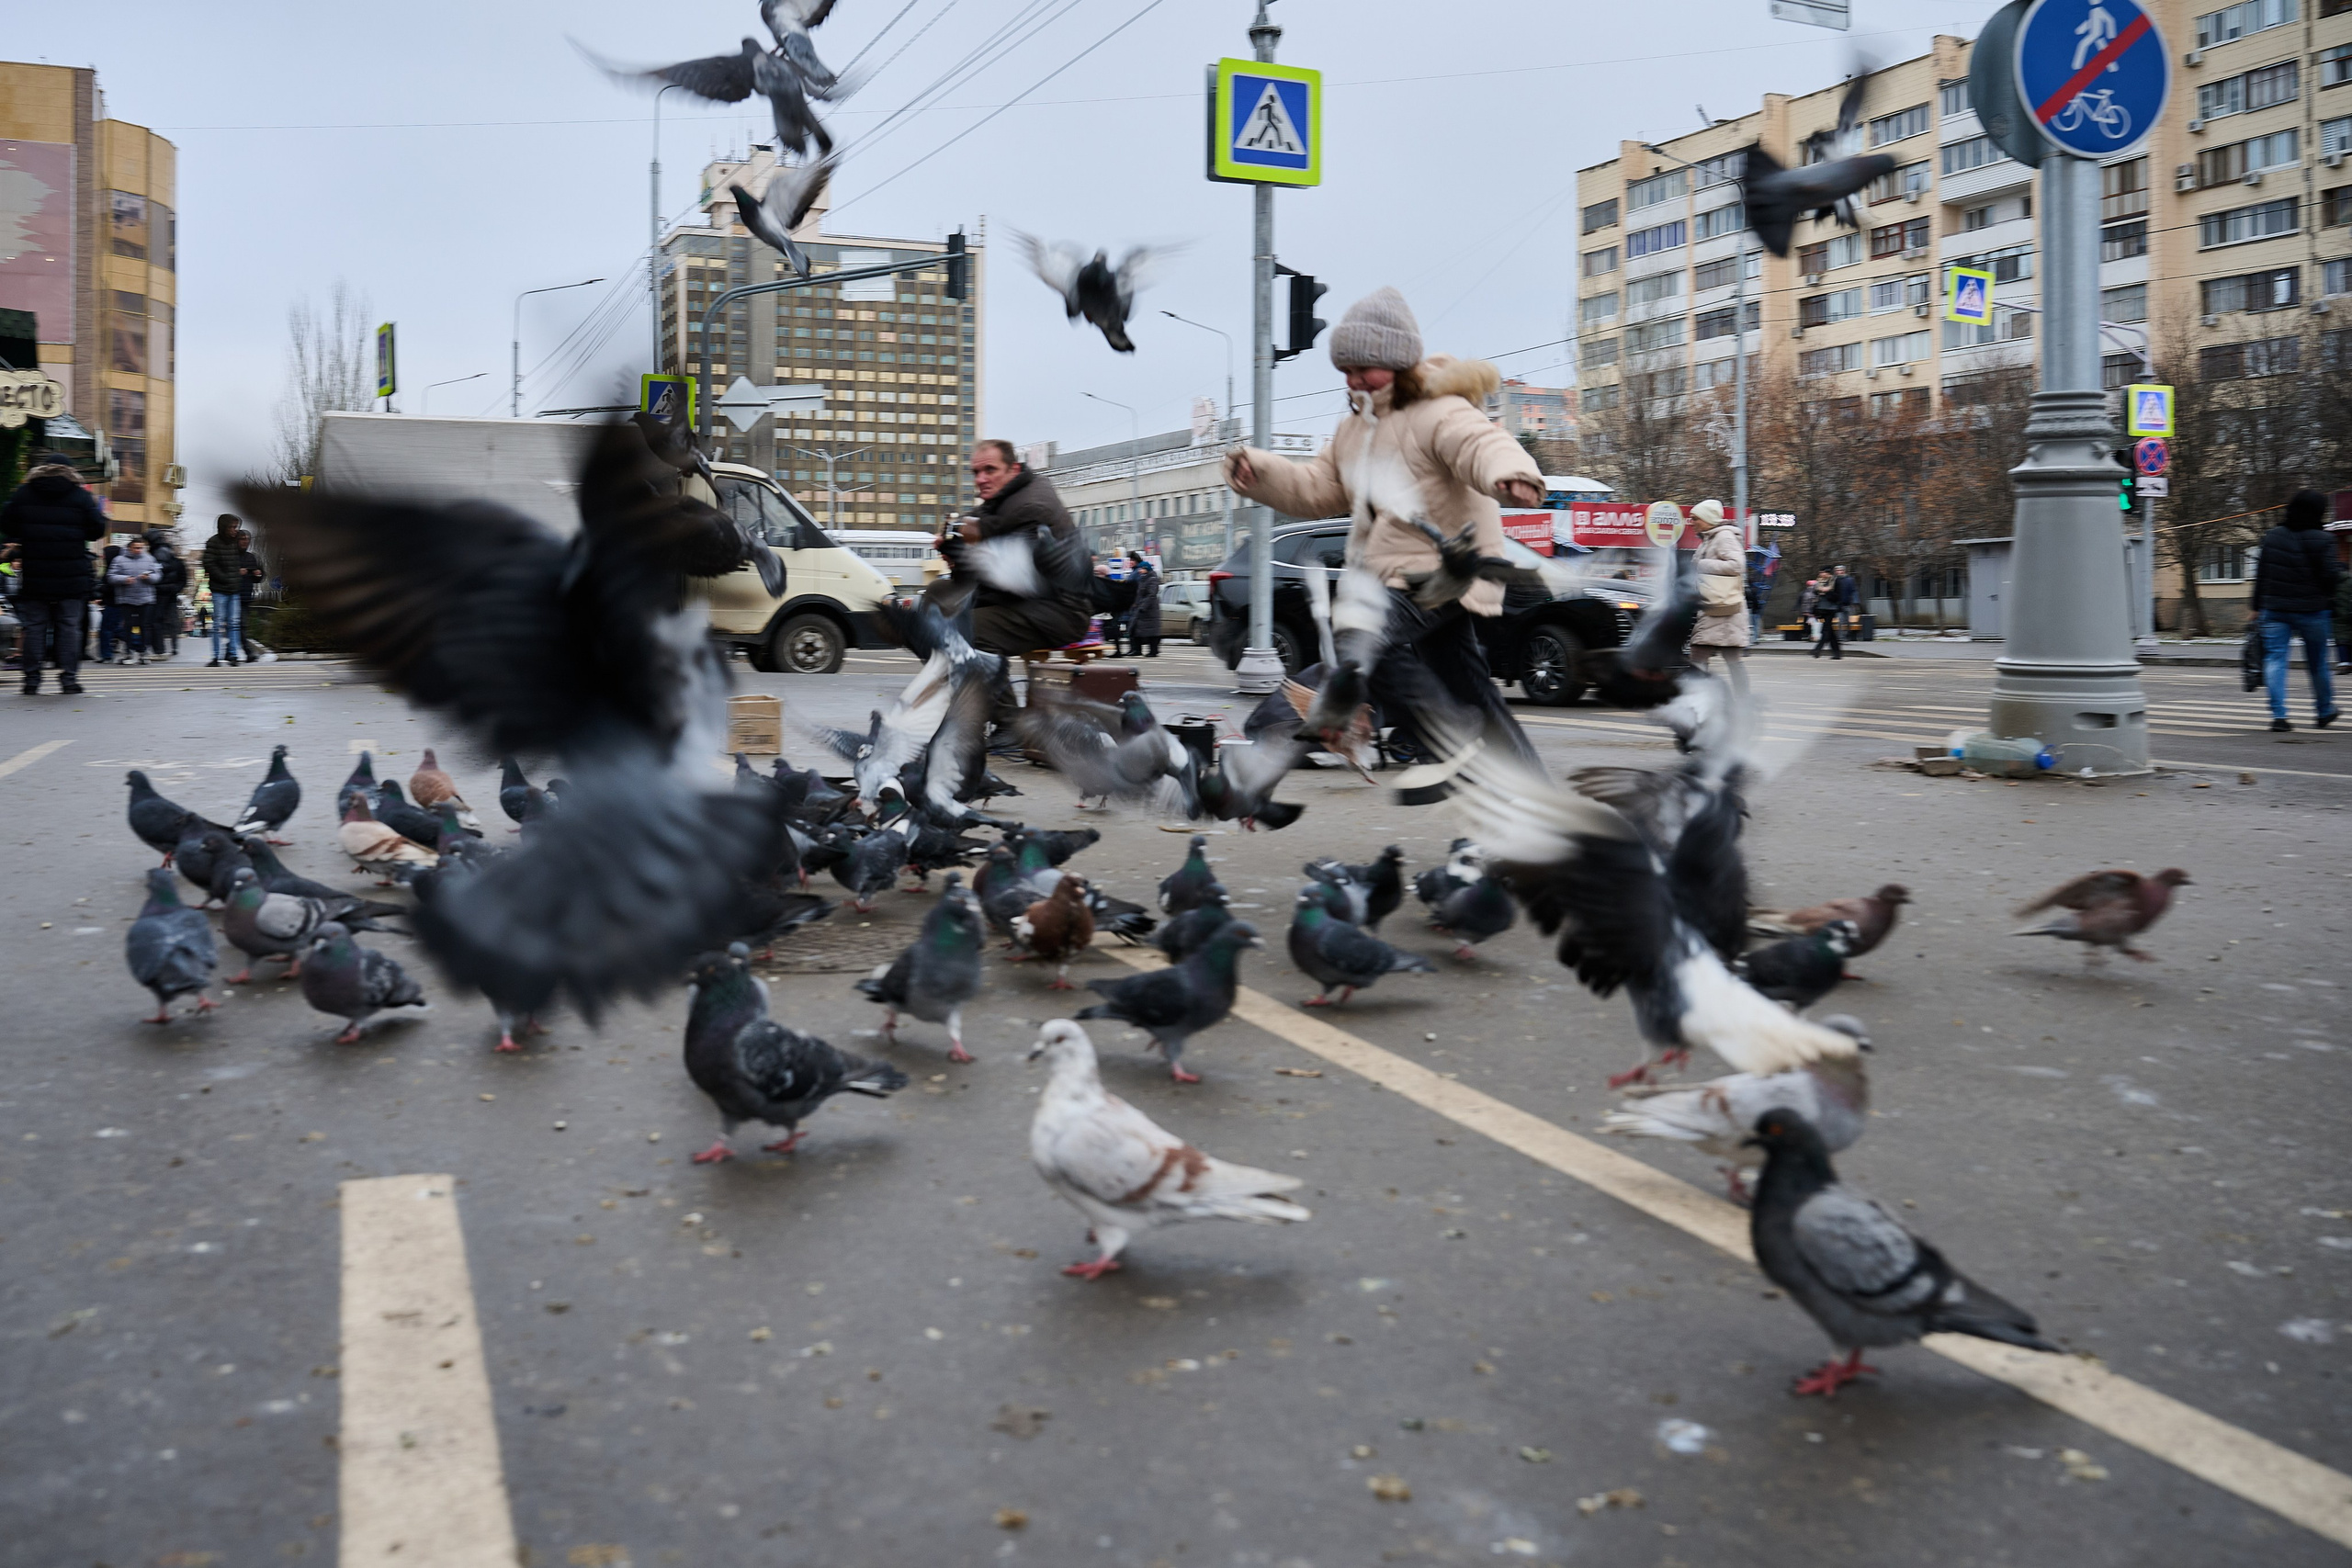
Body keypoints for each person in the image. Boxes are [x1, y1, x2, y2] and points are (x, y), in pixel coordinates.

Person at [1225, 286, 1544, 772]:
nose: (1354, 381)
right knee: (1471, 687)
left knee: (1362, 631)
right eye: (1346, 372)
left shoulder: (1440, 409)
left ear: (1398, 362)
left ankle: (1447, 731)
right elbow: (1320, 487)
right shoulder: (1355, 429)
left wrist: (1512, 475)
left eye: (1363, 369)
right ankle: (1539, 805)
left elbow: (1480, 444)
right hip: (1398, 574)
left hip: (1442, 569)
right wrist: (1261, 472)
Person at [924, 441, 1093, 657]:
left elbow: (1018, 579)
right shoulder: (999, 498)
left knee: (958, 631)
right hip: (1021, 600)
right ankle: (950, 677)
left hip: (1057, 611)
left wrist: (965, 555)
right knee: (936, 594)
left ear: (1013, 469)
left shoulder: (1031, 507)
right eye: (976, 472)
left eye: (990, 470)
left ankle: (990, 689)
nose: (981, 480)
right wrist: (954, 557)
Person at [0, 452, 106, 694]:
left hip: (36, 572)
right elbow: (97, 530)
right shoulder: (81, 496)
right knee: (69, 627)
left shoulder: (24, 493)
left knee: (34, 626)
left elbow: (7, 524)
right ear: (70, 471)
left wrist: (26, 535)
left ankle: (31, 680)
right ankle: (69, 680)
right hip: (71, 573)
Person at [2248, 489, 2343, 733]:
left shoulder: (2272, 536)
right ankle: (2324, 712)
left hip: (2275, 609)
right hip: (2313, 609)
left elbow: (2262, 575)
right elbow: (2331, 576)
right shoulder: (2324, 539)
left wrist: (2256, 606)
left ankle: (2279, 716)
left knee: (2275, 659)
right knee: (2318, 663)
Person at [1684, 500, 1750, 695]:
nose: (1692, 521)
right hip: (1717, 606)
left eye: (1695, 518)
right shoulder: (1710, 539)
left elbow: (1737, 566)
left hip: (1722, 607)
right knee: (1729, 657)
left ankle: (1697, 698)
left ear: (1707, 519)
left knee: (1700, 652)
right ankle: (1741, 701)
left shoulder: (1724, 537)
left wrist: (1703, 565)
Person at [201, 514, 249, 667]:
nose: (235, 530)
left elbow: (244, 556)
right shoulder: (213, 542)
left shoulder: (235, 542)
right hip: (219, 589)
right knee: (218, 624)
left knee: (234, 624)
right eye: (232, 527)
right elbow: (208, 563)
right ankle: (216, 657)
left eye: (236, 527)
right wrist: (224, 577)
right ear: (224, 527)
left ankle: (233, 656)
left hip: (234, 589)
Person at [107, 535, 161, 665]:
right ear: (129, 548)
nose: (138, 550)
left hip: (146, 597)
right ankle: (128, 652)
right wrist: (124, 579)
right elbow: (111, 576)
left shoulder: (149, 559)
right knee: (128, 626)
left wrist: (149, 578)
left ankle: (143, 653)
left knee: (144, 626)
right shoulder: (119, 560)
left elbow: (158, 575)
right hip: (126, 598)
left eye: (141, 548)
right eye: (136, 548)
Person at [147, 528, 187, 658]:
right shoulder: (173, 557)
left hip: (161, 592)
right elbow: (183, 578)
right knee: (171, 620)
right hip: (170, 592)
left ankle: (160, 649)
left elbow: (159, 572)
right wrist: (175, 588)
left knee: (156, 620)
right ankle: (172, 647)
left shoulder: (157, 554)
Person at [1125, 549, 1162, 658]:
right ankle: (1137, 650)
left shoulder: (1152, 579)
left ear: (1146, 569)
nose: (1139, 571)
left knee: (1152, 632)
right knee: (1137, 630)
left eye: (1141, 569)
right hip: (1142, 608)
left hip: (1150, 610)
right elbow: (1139, 593)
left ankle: (1153, 651)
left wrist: (1143, 606)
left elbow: (1151, 594)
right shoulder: (1144, 579)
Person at [1807, 571, 1842, 660]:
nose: (1821, 574)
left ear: (1828, 573)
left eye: (1823, 572)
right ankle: (1836, 653)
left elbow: (1838, 595)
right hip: (1822, 608)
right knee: (1829, 631)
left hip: (1831, 609)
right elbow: (1815, 593)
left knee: (1826, 629)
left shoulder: (1834, 581)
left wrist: (1826, 592)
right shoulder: (1819, 582)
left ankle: (1818, 649)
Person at [1829, 563, 1860, 638]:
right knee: (1840, 621)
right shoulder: (1834, 580)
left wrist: (1855, 601)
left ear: (1844, 571)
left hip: (1848, 603)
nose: (1839, 572)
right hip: (1838, 604)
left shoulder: (1849, 580)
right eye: (1837, 570)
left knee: (1847, 621)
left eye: (1840, 570)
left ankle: (1847, 634)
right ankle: (1840, 636)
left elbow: (1853, 591)